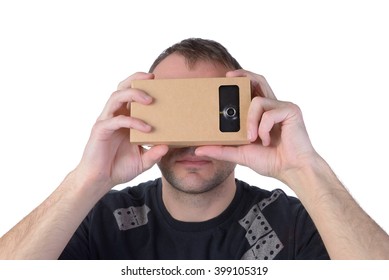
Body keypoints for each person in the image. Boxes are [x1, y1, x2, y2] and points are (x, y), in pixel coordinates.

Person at [1, 38, 389, 260]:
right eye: (174, 111)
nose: (190, 141)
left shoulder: (295, 224)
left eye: (209, 110)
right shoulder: (99, 220)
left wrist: (304, 168)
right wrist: (87, 179)